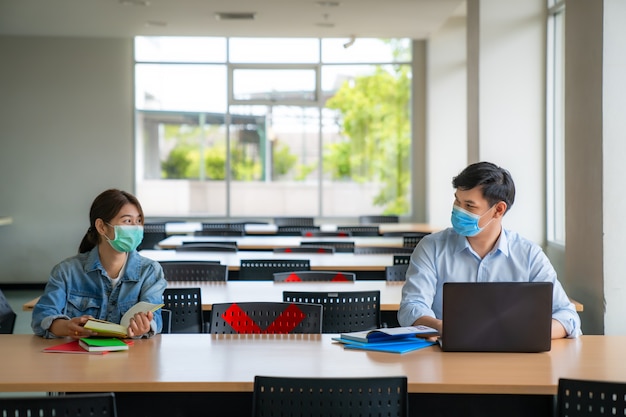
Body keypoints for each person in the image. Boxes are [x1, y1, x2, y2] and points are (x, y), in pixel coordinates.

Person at [397, 161, 581, 339]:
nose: (458, 210)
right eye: (457, 201)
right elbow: (412, 307)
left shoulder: (529, 255)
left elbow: (568, 316)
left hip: (513, 361)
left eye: (469, 206)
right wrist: (443, 328)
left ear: (498, 210)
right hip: (448, 357)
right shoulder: (431, 247)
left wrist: (523, 333)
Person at [32, 189, 167, 338]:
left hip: (130, 356)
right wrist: (66, 327)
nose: (136, 228)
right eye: (127, 221)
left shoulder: (150, 271)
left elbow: (156, 318)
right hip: (79, 357)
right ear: (101, 227)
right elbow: (42, 316)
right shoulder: (66, 272)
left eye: (139, 221)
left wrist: (146, 325)